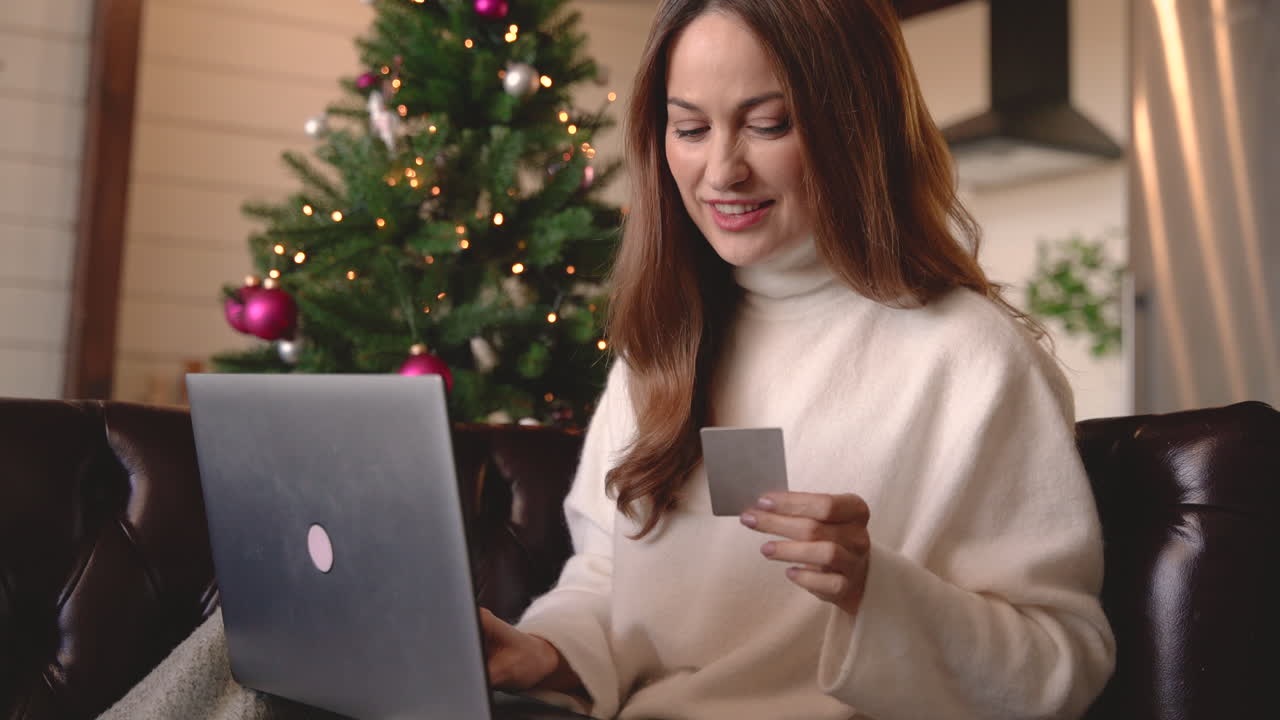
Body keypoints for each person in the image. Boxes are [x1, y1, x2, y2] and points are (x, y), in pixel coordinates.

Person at [479, 0, 1116, 718]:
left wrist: (875, 589)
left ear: (858, 126)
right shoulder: (661, 344)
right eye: (690, 129)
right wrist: (546, 652)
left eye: (769, 124)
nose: (722, 170)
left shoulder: (971, 359)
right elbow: (606, 579)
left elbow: (1059, 665)